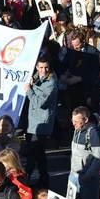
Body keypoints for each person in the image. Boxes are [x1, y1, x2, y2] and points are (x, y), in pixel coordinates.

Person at [25, 57, 58, 187]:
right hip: (32, 122)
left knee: (32, 155)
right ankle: (44, 180)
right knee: (39, 154)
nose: (43, 70)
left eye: (46, 68)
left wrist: (29, 90)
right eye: (41, 67)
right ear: (37, 67)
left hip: (42, 124)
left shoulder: (51, 83)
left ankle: (25, 181)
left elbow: (41, 103)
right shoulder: (34, 78)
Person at [69, 107, 100, 199]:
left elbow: (99, 158)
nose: (73, 124)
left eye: (76, 121)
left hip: (87, 179)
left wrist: (87, 176)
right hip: (74, 176)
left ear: (85, 120)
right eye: (73, 120)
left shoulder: (93, 133)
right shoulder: (77, 130)